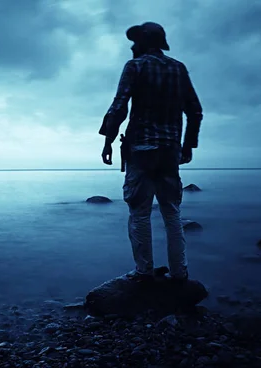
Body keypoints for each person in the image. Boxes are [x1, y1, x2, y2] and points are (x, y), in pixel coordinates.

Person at [98, 21, 203, 282]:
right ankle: (180, 273)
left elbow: (119, 106)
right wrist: (188, 145)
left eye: (136, 41)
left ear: (145, 42)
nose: (132, 46)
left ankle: (144, 271)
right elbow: (195, 110)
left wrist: (108, 140)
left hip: (142, 148)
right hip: (169, 150)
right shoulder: (178, 69)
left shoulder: (135, 66)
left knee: (139, 211)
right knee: (172, 212)